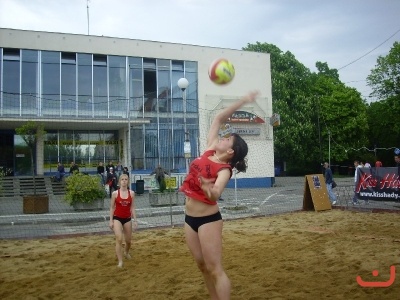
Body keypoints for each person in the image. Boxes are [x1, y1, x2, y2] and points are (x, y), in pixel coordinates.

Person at [180, 91, 258, 299]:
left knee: (215, 269)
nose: (222, 138)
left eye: (227, 139)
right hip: (189, 218)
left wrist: (207, 187)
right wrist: (242, 100)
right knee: (202, 266)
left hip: (208, 220)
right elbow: (218, 118)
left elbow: (215, 195)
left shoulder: (224, 170)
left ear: (231, 151)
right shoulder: (209, 150)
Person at [109, 174, 137, 268]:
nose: (124, 181)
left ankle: (126, 252)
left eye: (126, 179)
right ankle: (120, 261)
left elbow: (132, 207)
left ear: (128, 181)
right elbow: (112, 208)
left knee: (128, 241)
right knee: (119, 238)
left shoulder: (132, 193)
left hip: (127, 218)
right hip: (117, 217)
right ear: (119, 181)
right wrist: (111, 220)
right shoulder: (115, 194)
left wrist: (135, 220)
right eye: (122, 179)